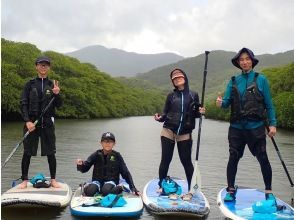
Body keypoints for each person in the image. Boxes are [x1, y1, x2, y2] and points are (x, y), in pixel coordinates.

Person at [216, 47, 277, 202]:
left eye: (247, 59)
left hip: (255, 127)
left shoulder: (261, 79)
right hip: (236, 128)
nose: (244, 62)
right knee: (233, 157)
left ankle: (269, 192)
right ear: (238, 63)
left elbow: (269, 105)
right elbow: (227, 103)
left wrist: (273, 124)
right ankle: (230, 189)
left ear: (252, 61)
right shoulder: (233, 81)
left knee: (263, 158)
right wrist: (220, 103)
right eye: (241, 60)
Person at [154, 68, 205, 199]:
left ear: (185, 77)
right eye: (174, 78)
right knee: (166, 160)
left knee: (186, 162)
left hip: (185, 133)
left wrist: (201, 111)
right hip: (168, 131)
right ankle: (162, 186)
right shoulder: (171, 96)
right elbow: (165, 114)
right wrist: (159, 118)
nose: (177, 79)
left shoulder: (194, 95)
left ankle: (191, 190)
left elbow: (196, 113)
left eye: (179, 77)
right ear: (173, 82)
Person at [19, 56, 62, 189]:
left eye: (46, 65)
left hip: (47, 123)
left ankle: (53, 180)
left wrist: (57, 94)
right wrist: (27, 121)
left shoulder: (52, 85)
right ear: (36, 66)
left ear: (49, 68)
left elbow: (59, 105)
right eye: (41, 64)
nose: (43, 67)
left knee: (51, 153)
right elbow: (23, 104)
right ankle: (24, 180)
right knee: (27, 152)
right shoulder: (29, 84)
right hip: (31, 124)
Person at [76, 132, 139, 197]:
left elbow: (125, 173)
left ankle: (120, 187)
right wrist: (80, 165)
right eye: (105, 141)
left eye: (110, 141)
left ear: (114, 143)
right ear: (101, 143)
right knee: (90, 192)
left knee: (105, 192)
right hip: (97, 182)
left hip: (111, 182)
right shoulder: (96, 154)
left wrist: (133, 188)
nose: (107, 143)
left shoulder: (117, 156)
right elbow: (84, 169)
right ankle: (88, 187)